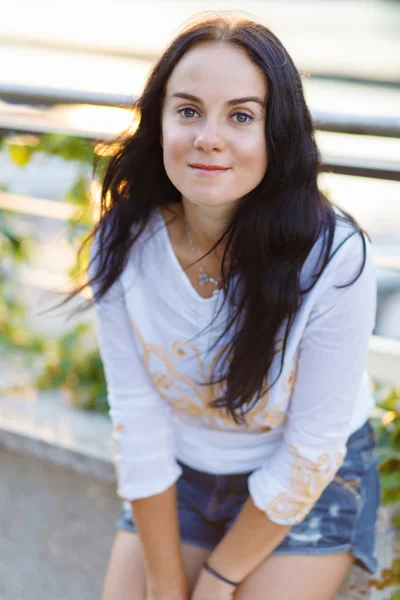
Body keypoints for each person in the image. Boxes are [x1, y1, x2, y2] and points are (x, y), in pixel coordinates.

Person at [68, 9, 380, 600]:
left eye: (241, 116)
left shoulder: (334, 257)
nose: (209, 136)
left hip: (308, 482)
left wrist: (215, 584)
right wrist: (164, 586)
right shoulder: (123, 241)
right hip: (182, 475)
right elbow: (138, 419)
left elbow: (312, 449)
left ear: (277, 133)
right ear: (159, 124)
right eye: (188, 111)